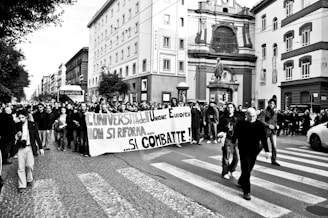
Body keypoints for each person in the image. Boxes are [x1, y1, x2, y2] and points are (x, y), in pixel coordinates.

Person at [232, 107, 269, 200]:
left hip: (254, 150)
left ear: (256, 116)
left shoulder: (259, 125)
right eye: (250, 116)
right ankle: (246, 191)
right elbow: (235, 135)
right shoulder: (241, 124)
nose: (252, 118)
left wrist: (267, 151)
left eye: (253, 116)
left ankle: (241, 180)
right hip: (243, 150)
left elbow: (264, 139)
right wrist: (232, 143)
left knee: (249, 168)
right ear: (246, 115)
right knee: (246, 170)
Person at [15, 109, 44, 193]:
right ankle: (22, 185)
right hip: (20, 147)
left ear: (26, 117)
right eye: (19, 118)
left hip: (30, 147)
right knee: (21, 167)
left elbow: (37, 137)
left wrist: (41, 148)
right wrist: (17, 135)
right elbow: (13, 137)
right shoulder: (17, 125)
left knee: (29, 165)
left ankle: (29, 178)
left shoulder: (33, 125)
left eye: (22, 117)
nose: (21, 119)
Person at [219, 102, 241, 179]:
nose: (229, 109)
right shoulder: (223, 117)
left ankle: (232, 169)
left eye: (231, 107)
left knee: (237, 157)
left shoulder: (237, 117)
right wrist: (225, 128)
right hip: (227, 138)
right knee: (226, 156)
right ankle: (225, 172)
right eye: (228, 107)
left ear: (234, 108)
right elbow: (220, 128)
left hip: (236, 139)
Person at [259, 98, 281, 166]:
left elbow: (275, 121)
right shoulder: (264, 111)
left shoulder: (275, 112)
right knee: (262, 145)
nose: (271, 105)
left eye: (273, 104)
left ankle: (274, 160)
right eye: (270, 103)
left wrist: (277, 125)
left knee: (274, 146)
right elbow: (261, 120)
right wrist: (268, 125)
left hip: (273, 131)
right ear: (268, 104)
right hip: (266, 131)